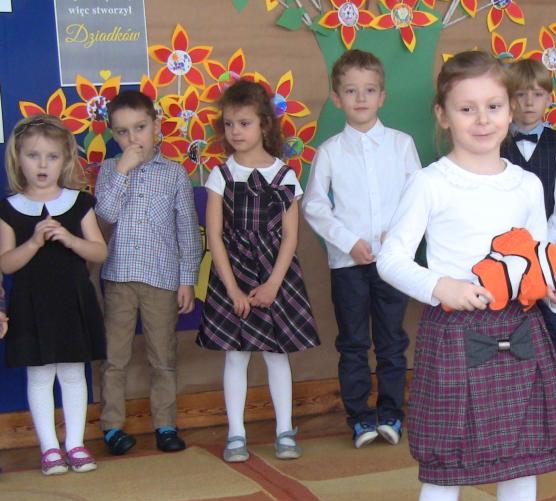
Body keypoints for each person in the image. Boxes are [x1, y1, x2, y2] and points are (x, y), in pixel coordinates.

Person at [377, 51, 556, 501]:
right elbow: (392, 259)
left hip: (520, 328)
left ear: (510, 109)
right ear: (443, 116)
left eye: (493, 106)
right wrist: (439, 285)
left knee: (522, 455)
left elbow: (539, 264)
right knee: (446, 462)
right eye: (467, 109)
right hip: (455, 332)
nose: (483, 119)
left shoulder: (526, 184)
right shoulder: (430, 183)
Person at [196, 80, 320, 463]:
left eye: (244, 123)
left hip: (274, 276)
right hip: (232, 273)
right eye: (229, 124)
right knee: (235, 355)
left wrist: (273, 285)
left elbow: (290, 238)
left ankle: (284, 429)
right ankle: (236, 433)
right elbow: (215, 237)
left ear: (264, 124)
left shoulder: (285, 175)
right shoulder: (221, 175)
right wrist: (232, 289)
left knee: (276, 353)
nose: (235, 131)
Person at [303, 49, 421, 449]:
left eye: (369, 90)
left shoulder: (401, 145)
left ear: (382, 96)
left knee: (391, 340)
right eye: (351, 91)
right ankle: (359, 417)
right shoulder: (330, 151)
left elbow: (417, 197)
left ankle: (391, 414)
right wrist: (347, 242)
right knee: (353, 342)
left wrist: (398, 236)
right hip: (347, 265)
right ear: (336, 98)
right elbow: (314, 205)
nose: (361, 98)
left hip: (392, 263)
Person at [95, 90, 202, 455]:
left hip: (162, 279)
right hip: (119, 277)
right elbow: (104, 216)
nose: (133, 139)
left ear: (156, 127)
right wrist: (122, 171)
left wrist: (187, 279)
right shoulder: (109, 171)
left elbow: (187, 231)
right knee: (115, 357)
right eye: (122, 132)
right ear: (113, 134)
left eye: (140, 128)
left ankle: (165, 425)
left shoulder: (174, 174)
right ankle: (112, 427)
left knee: (163, 356)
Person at [0, 114, 108, 475]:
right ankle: (49, 448)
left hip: (71, 302)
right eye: (33, 156)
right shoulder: (9, 209)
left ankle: (75, 444)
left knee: (75, 374)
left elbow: (99, 251)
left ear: (65, 160)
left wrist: (71, 239)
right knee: (40, 376)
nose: (42, 165)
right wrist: (34, 242)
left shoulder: (79, 203)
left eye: (51, 156)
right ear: (18, 159)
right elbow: (6, 263)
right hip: (31, 305)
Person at [501, 58, 556, 375]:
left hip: (550, 247)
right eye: (520, 95)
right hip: (505, 250)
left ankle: (554, 378)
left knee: (551, 316)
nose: (529, 102)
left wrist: (542, 243)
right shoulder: (496, 143)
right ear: (509, 100)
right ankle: (516, 381)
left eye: (537, 94)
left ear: (548, 98)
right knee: (510, 316)